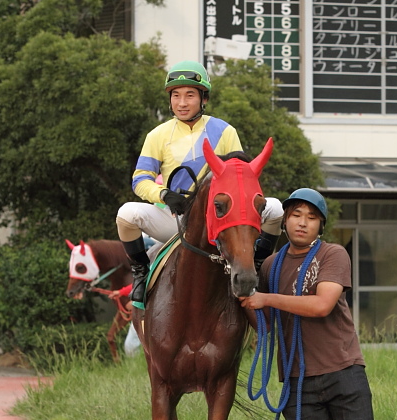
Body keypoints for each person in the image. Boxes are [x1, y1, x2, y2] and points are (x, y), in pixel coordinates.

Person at [116, 60, 283, 305]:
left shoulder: (225, 131)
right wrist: (164, 195)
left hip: (218, 219)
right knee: (126, 214)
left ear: (203, 99)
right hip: (176, 220)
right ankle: (140, 272)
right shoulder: (157, 135)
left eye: (189, 95)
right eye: (176, 95)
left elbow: (240, 177)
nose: (182, 103)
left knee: (277, 209)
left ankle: (255, 264)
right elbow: (140, 179)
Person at [239, 188, 379, 420]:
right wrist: (244, 299)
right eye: (296, 215)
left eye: (311, 218)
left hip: (344, 373)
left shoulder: (333, 254)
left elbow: (322, 305)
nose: (302, 222)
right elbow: (265, 327)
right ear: (285, 221)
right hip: (298, 381)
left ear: (320, 225)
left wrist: (265, 298)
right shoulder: (270, 266)